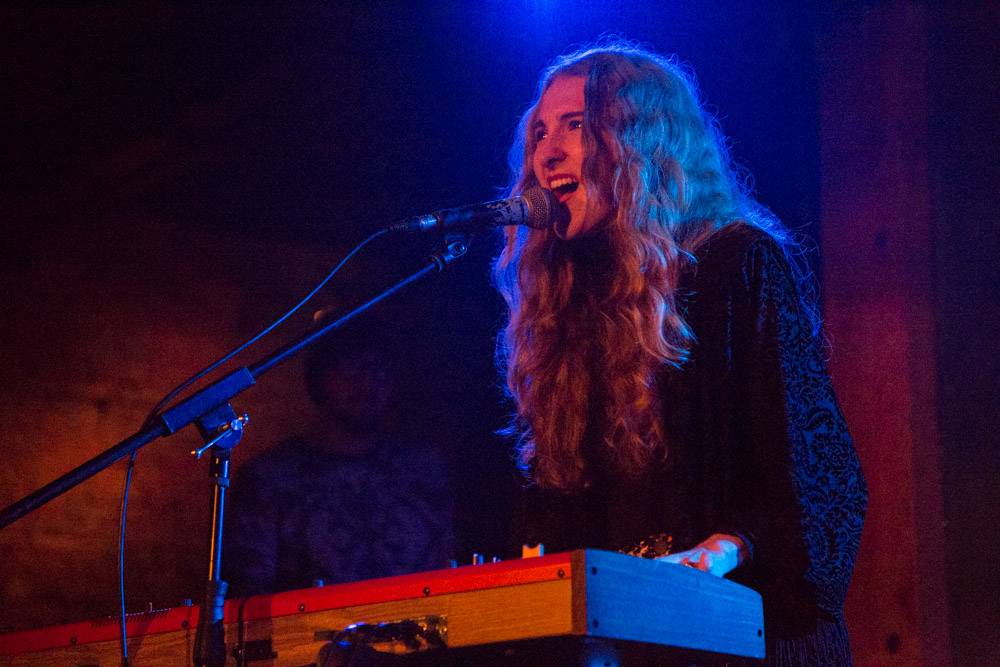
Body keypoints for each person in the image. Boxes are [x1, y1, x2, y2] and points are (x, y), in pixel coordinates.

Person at [492, 42, 867, 665]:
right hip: (631, 638)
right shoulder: (565, 303)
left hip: (749, 631)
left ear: (639, 143)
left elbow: (821, 476)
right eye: (540, 132)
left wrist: (725, 548)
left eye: (577, 125)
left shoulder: (735, 262)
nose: (548, 152)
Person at [224, 323, 454, 597]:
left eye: (376, 368)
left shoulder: (422, 468)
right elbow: (249, 590)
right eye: (350, 369)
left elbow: (447, 570)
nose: (366, 382)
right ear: (318, 380)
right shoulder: (270, 478)